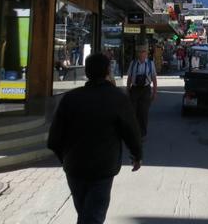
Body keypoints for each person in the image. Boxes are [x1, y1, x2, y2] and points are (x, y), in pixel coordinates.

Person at [48, 53, 142, 224]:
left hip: (75, 166)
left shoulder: (70, 98)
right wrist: (137, 154)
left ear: (86, 71)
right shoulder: (117, 98)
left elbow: (54, 139)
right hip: (103, 167)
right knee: (93, 216)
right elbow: (131, 130)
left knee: (85, 213)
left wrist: (66, 158)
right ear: (108, 71)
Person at [126, 45, 158, 138]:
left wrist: (154, 92)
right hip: (134, 89)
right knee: (133, 112)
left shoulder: (150, 63)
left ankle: (142, 134)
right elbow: (129, 77)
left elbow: (154, 78)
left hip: (145, 89)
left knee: (143, 112)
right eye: (140, 52)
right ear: (137, 54)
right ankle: (134, 132)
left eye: (143, 52)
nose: (141, 54)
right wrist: (127, 90)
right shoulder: (133, 63)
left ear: (146, 53)